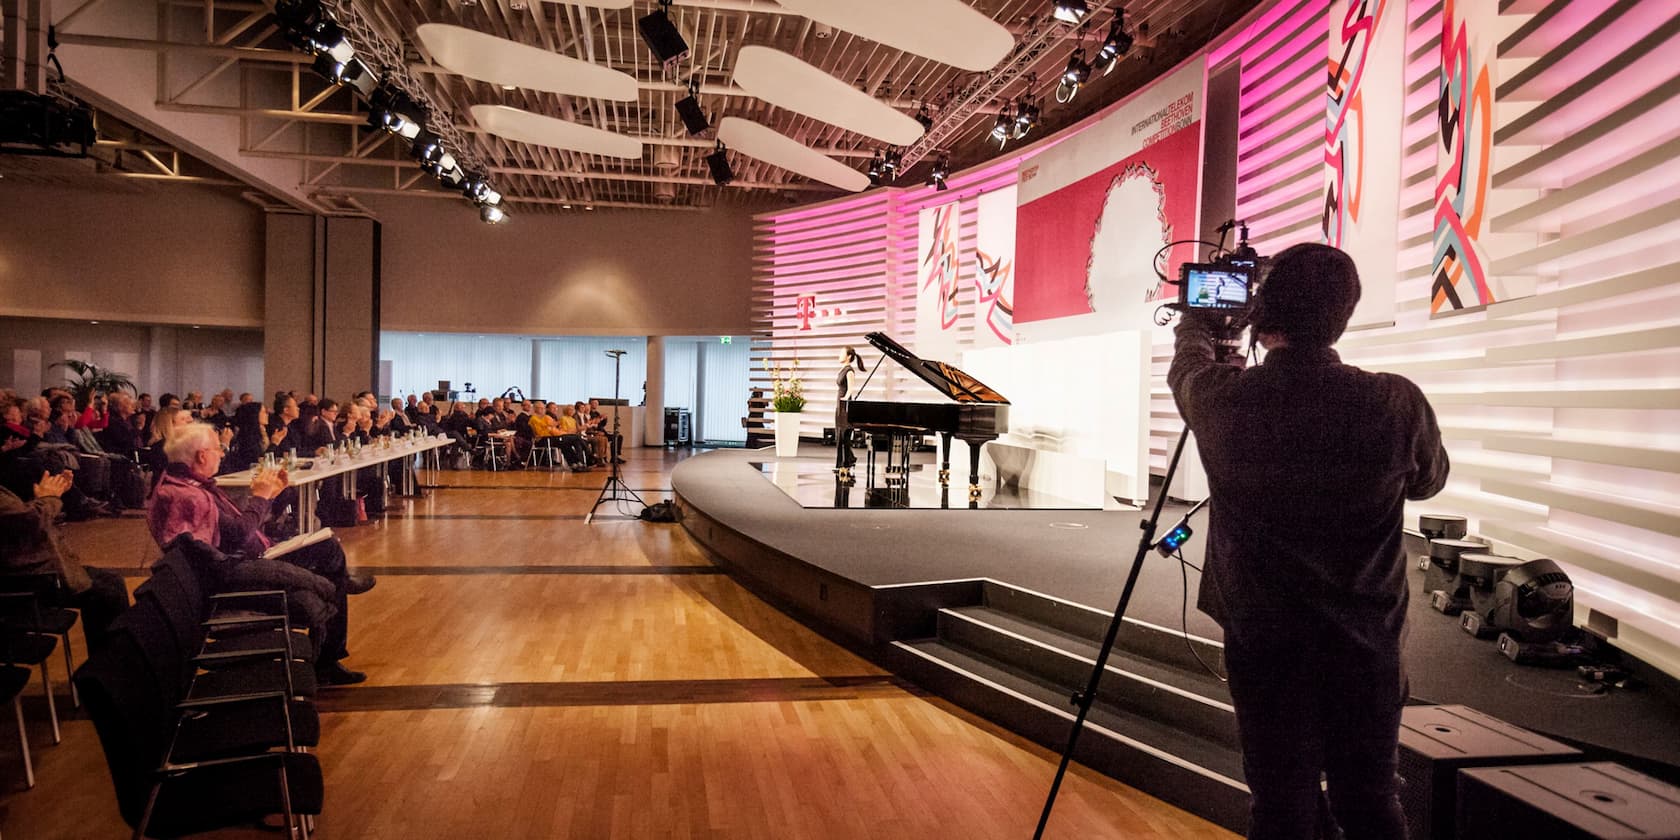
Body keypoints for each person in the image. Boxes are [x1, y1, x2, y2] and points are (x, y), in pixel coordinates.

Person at [1167, 243, 1449, 839]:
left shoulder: (1227, 399)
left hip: (1265, 642)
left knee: (1281, 803)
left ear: (1264, 314)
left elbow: (1187, 372)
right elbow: (1428, 483)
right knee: (1371, 799)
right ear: (1343, 315)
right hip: (1367, 642)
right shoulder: (1396, 401)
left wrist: (1196, 324)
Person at [147, 423, 374, 685]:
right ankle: (330, 648)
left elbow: (241, 527)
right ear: (200, 455)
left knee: (327, 547)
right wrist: (261, 496)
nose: (222, 454)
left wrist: (274, 494)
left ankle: (332, 629)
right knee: (329, 555)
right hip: (238, 569)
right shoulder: (190, 496)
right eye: (218, 449)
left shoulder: (188, 485)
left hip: (247, 558)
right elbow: (238, 535)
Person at [0, 470, 129, 651]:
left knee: (112, 580)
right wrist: (49, 497)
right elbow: (30, 519)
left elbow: (20, 519)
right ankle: (105, 671)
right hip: (19, 582)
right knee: (106, 595)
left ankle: (115, 665)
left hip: (28, 569)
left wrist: (48, 494)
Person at [834, 347, 865, 472]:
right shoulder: (842, 369)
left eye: (841, 353)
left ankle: (845, 462)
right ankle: (848, 460)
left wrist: (845, 399)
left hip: (845, 404)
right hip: (839, 403)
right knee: (840, 435)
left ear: (848, 356)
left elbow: (851, 388)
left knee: (844, 435)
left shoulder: (849, 371)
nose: (839, 355)